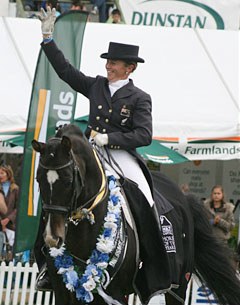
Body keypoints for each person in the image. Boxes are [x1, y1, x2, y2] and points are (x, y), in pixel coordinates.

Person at [35, 7, 172, 296]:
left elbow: (144, 135)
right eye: (108, 61)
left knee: (145, 200)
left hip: (122, 155)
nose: (109, 66)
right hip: (91, 155)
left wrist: (110, 137)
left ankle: (153, 274)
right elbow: (66, 72)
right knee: (56, 194)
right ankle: (46, 264)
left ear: (129, 68)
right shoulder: (96, 85)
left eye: (114, 63)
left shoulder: (139, 97)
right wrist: (48, 39)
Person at [0, 165, 19, 261]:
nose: (0, 176)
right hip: (1, 226)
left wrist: (8, 219)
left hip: (12, 225)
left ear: (8, 174)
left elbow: (18, 207)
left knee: (11, 253)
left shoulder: (15, 189)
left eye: (2, 173)